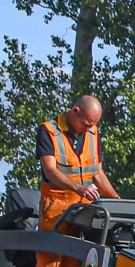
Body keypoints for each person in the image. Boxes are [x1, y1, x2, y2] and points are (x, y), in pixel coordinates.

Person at [37, 95, 119, 235]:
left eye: (92, 125)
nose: (89, 129)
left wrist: (117, 201)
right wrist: (78, 188)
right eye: (86, 124)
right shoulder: (49, 131)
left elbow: (97, 174)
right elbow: (50, 170)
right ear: (75, 111)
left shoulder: (93, 133)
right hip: (56, 210)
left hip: (83, 213)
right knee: (52, 256)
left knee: (82, 255)